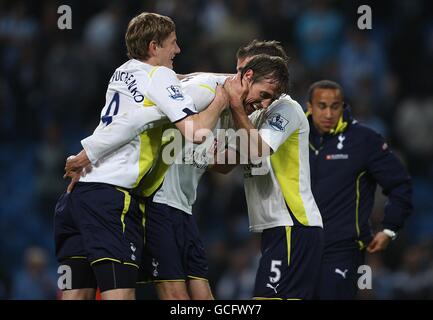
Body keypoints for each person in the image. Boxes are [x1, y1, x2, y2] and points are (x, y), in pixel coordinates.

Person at [65, 53, 290, 300]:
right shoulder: (206, 91)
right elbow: (141, 116)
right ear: (247, 76)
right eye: (265, 95)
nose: (265, 104)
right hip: (158, 202)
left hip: (182, 205)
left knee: (202, 296)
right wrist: (91, 155)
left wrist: (229, 146)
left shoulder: (236, 107)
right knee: (174, 296)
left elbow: (224, 164)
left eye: (272, 99)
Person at [55, 12, 229, 300]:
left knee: (75, 296)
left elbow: (156, 98)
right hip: (112, 199)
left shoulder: (122, 71)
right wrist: (220, 100)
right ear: (154, 47)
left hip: (78, 195)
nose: (178, 50)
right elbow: (196, 132)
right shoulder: (159, 75)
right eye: (172, 43)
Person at [211, 40, 324, 300]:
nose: (237, 78)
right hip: (277, 228)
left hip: (294, 224)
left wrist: (236, 106)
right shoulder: (253, 115)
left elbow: (259, 149)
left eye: (243, 71)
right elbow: (225, 164)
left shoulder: (287, 108)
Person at [306, 80, 413, 299]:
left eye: (334, 106)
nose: (328, 113)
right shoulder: (295, 139)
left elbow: (400, 184)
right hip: (299, 249)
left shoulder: (364, 140)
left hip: (343, 250)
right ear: (309, 107)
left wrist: (389, 229)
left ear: (343, 106)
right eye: (321, 106)